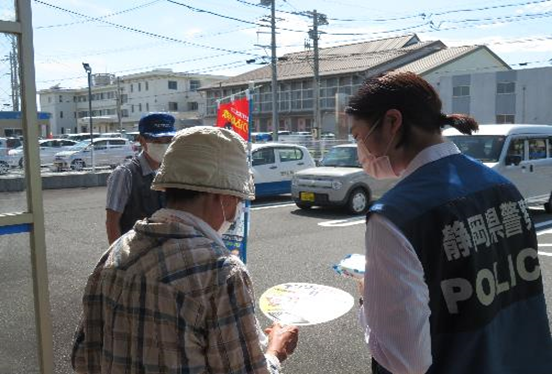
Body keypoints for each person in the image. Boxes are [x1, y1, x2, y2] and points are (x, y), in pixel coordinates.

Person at [346, 71, 552, 374]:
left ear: (392, 122)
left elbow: (406, 362)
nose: (360, 150)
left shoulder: (394, 215)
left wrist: (368, 297)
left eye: (358, 135)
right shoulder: (501, 186)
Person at [72, 126, 299, 373]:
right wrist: (275, 351)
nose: (235, 211)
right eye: (237, 199)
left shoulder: (115, 253)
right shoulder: (220, 272)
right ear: (223, 197)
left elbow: (83, 358)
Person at [105, 112, 175, 245]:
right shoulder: (125, 174)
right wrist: (118, 257)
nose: (164, 145)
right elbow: (112, 221)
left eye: (168, 140)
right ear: (142, 140)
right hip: (134, 253)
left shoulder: (171, 171)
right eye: (156, 141)